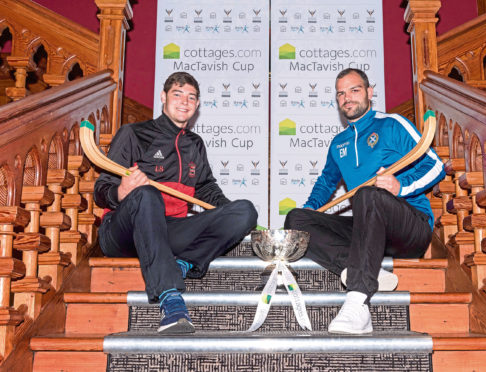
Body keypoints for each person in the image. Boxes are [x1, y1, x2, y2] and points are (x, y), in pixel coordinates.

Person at [94, 72, 258, 334]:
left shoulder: (195, 144)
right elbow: (100, 190)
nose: (185, 102)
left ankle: (184, 263)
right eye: (178, 94)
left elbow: (205, 189)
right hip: (121, 233)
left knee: (245, 211)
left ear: (197, 105)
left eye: (191, 97)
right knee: (147, 195)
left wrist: (228, 212)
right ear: (163, 97)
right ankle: (170, 300)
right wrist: (122, 191)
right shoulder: (133, 134)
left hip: (170, 231)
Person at [285, 68, 445, 334]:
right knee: (295, 220)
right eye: (341, 93)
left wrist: (400, 186)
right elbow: (326, 183)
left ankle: (358, 302)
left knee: (368, 195)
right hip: (368, 235)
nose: (347, 98)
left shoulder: (392, 124)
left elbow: (436, 166)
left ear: (370, 93)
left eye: (354, 90)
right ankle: (361, 267)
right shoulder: (339, 144)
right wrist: (310, 211)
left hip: (410, 228)